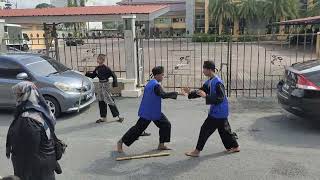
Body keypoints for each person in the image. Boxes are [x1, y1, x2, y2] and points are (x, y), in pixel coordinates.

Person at [182, 61, 240, 157]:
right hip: (220, 111)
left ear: (209, 70)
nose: (203, 71)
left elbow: (220, 98)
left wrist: (206, 97)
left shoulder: (217, 83)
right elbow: (201, 91)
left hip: (218, 112)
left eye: (204, 69)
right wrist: (190, 93)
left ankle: (197, 151)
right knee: (224, 130)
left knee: (205, 129)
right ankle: (235, 146)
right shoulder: (210, 81)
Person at [117, 66, 178, 153]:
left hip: (153, 111)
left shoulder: (151, 82)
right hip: (149, 112)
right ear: (157, 75)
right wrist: (177, 93)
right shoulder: (156, 85)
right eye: (162, 75)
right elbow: (163, 95)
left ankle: (161, 145)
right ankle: (120, 142)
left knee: (166, 124)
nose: (163, 77)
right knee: (138, 129)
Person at [6, 81, 58, 180]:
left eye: (19, 94)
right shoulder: (39, 110)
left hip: (36, 170)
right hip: (45, 164)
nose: (16, 97)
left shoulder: (28, 120)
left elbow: (28, 152)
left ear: (26, 95)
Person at [85, 54, 124, 123]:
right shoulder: (97, 68)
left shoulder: (106, 68)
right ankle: (103, 117)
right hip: (100, 85)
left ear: (102, 60)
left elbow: (114, 75)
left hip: (106, 85)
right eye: (98, 58)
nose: (97, 60)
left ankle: (118, 116)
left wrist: (115, 84)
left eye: (99, 59)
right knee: (101, 100)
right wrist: (87, 73)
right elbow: (93, 76)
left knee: (109, 100)